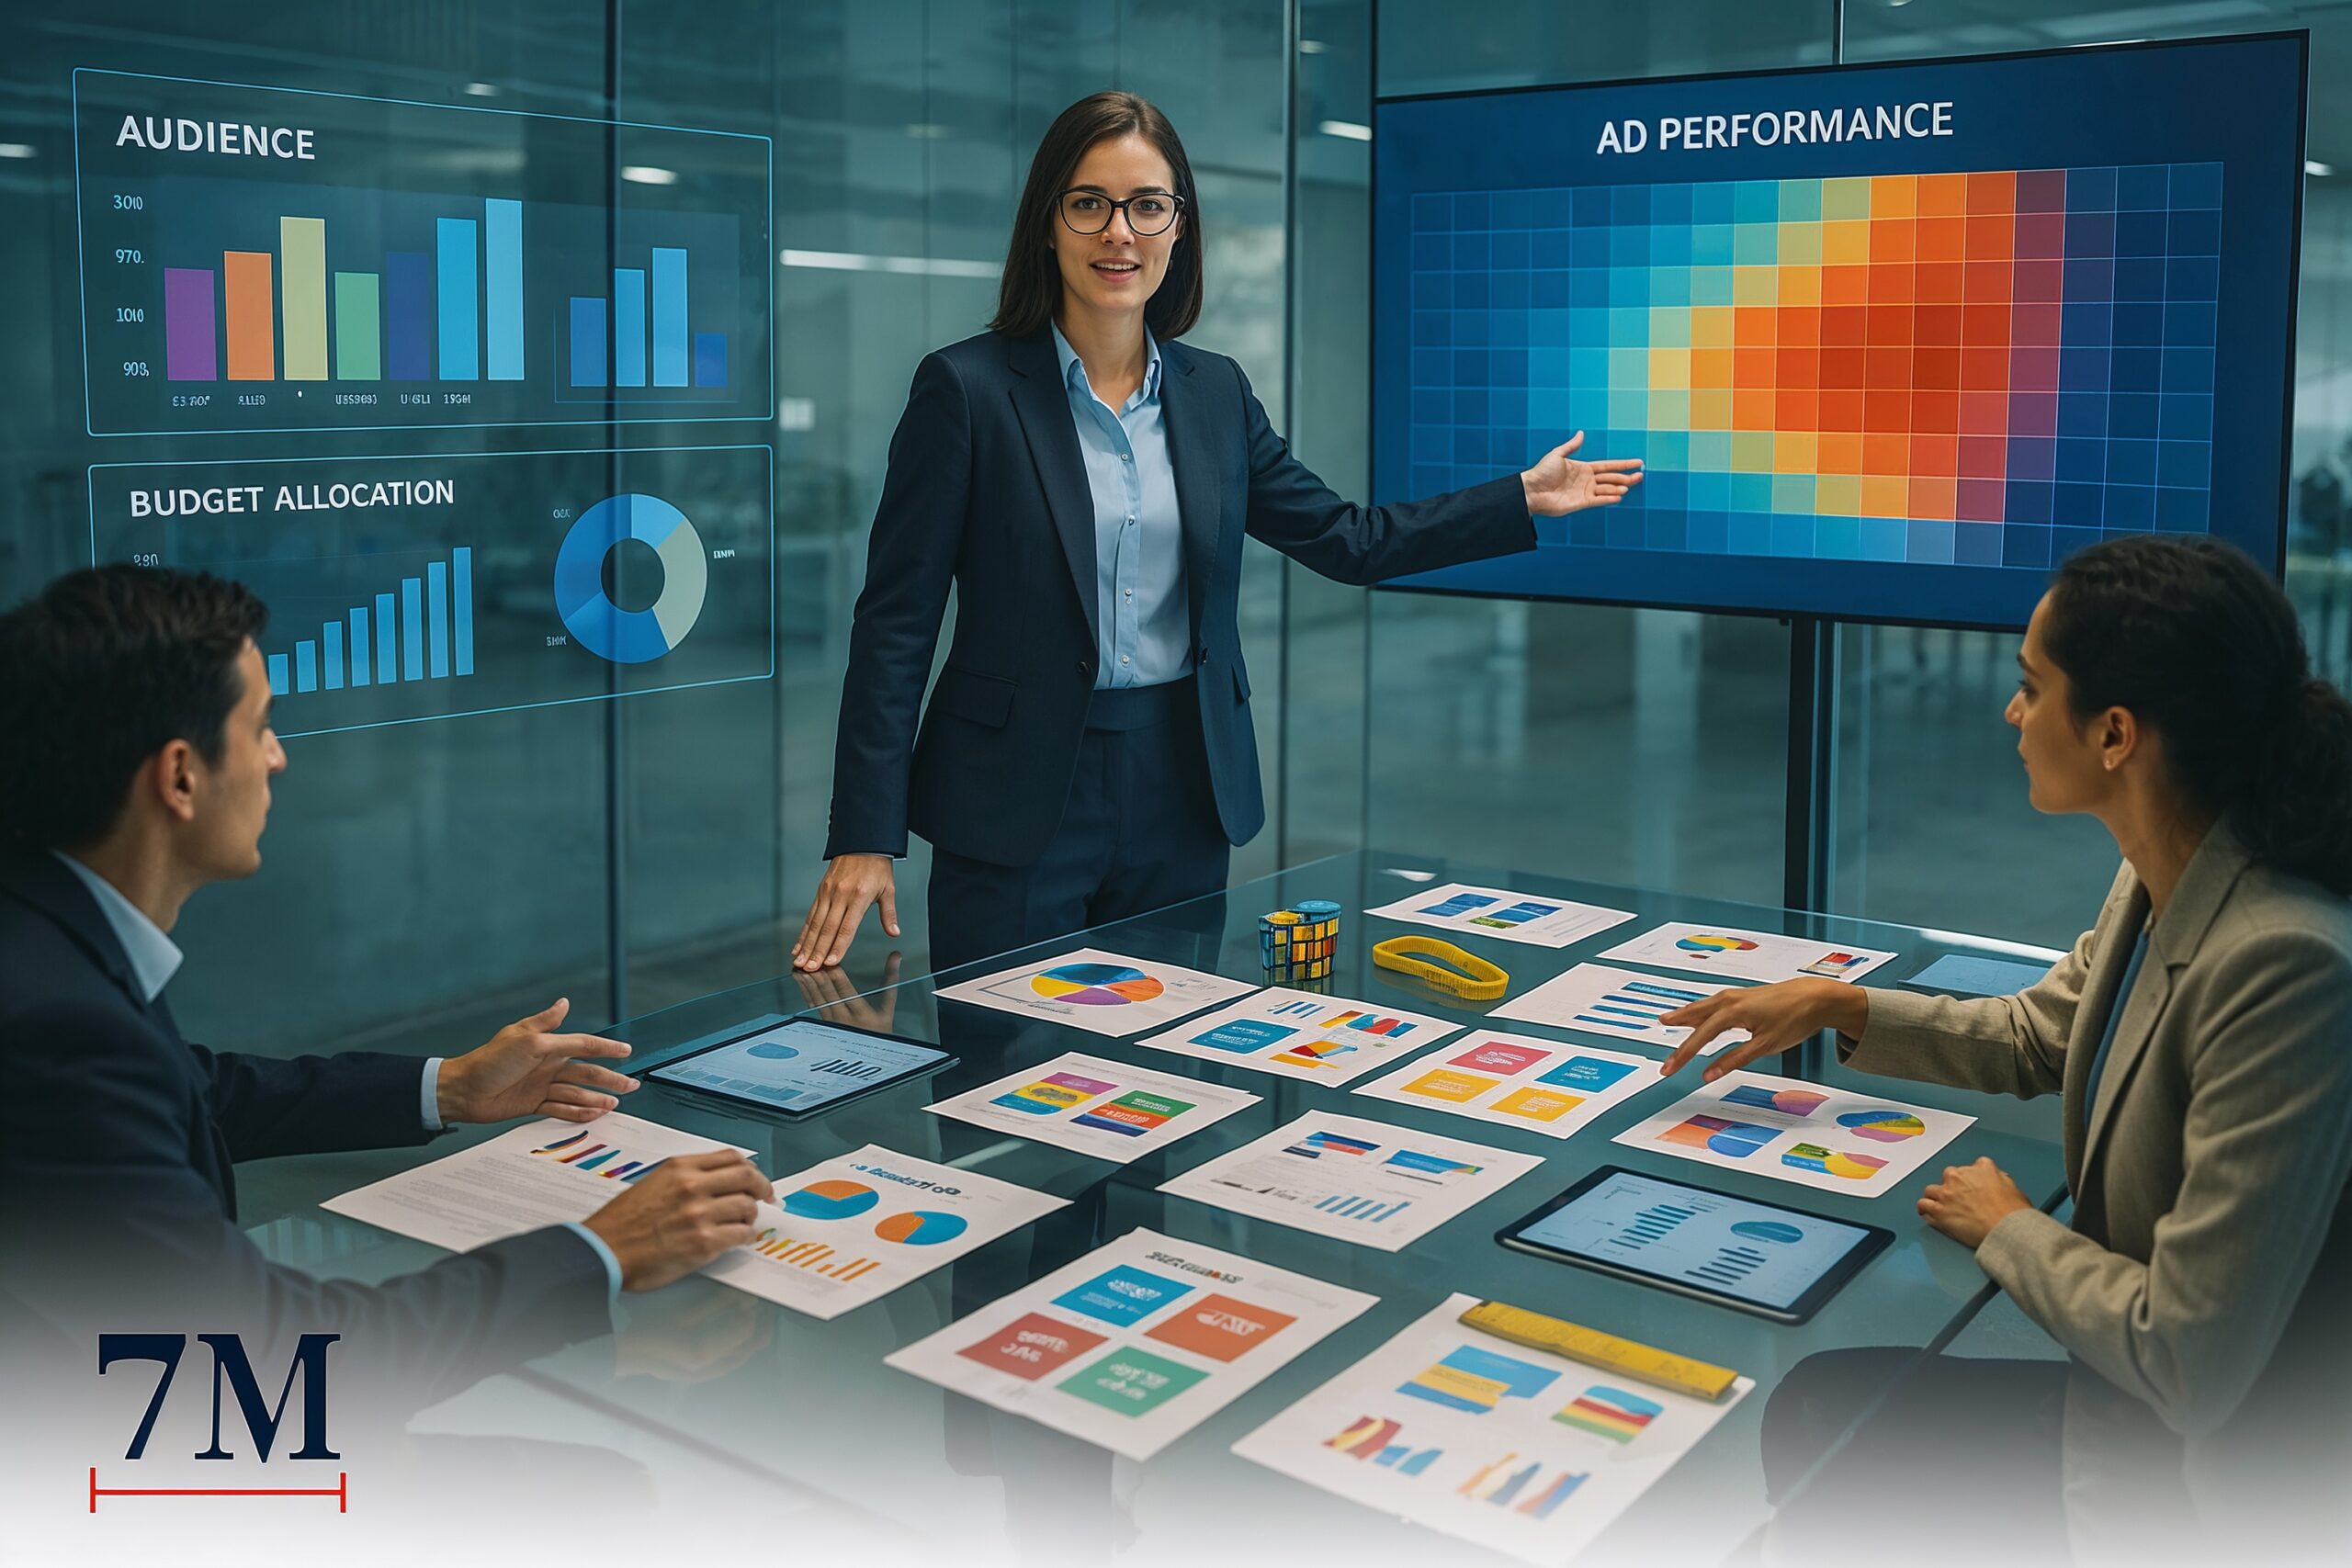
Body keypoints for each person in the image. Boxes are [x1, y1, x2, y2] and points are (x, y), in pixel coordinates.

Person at [796, 90, 1643, 975]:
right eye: (1089, 203)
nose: (1119, 232)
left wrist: (1518, 497)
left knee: (1165, 1083)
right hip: (1017, 794)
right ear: (1048, 224)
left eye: (1147, 206)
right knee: (996, 1077)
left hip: (1184, 786)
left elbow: (1347, 539)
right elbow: (896, 622)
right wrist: (865, 831)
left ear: (1179, 229)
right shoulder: (966, 391)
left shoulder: (1215, 394)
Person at [1656, 534, 2352, 1557]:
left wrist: (2009, 1228)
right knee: (1818, 1407)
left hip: (2189, 1486)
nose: (2011, 713)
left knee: (1826, 1426)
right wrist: (1841, 1006)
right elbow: (2045, 1034)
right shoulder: (2173, 855)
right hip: (2122, 1407)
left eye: (2031, 687)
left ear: (2114, 733)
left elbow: (2185, 1357)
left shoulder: (2283, 962)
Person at [0, 565, 776, 1411]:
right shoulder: (56, 1024)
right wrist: (602, 1251)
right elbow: (277, 1361)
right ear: (180, 776)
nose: (278, 757)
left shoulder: (50, 934)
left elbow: (191, 1090)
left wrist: (445, 1086)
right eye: (261, 726)